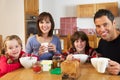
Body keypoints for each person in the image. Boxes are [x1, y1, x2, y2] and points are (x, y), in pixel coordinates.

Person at [94, 9, 120, 75]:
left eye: (105, 24)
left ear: (113, 23)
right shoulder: (102, 42)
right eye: (98, 26)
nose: (102, 30)